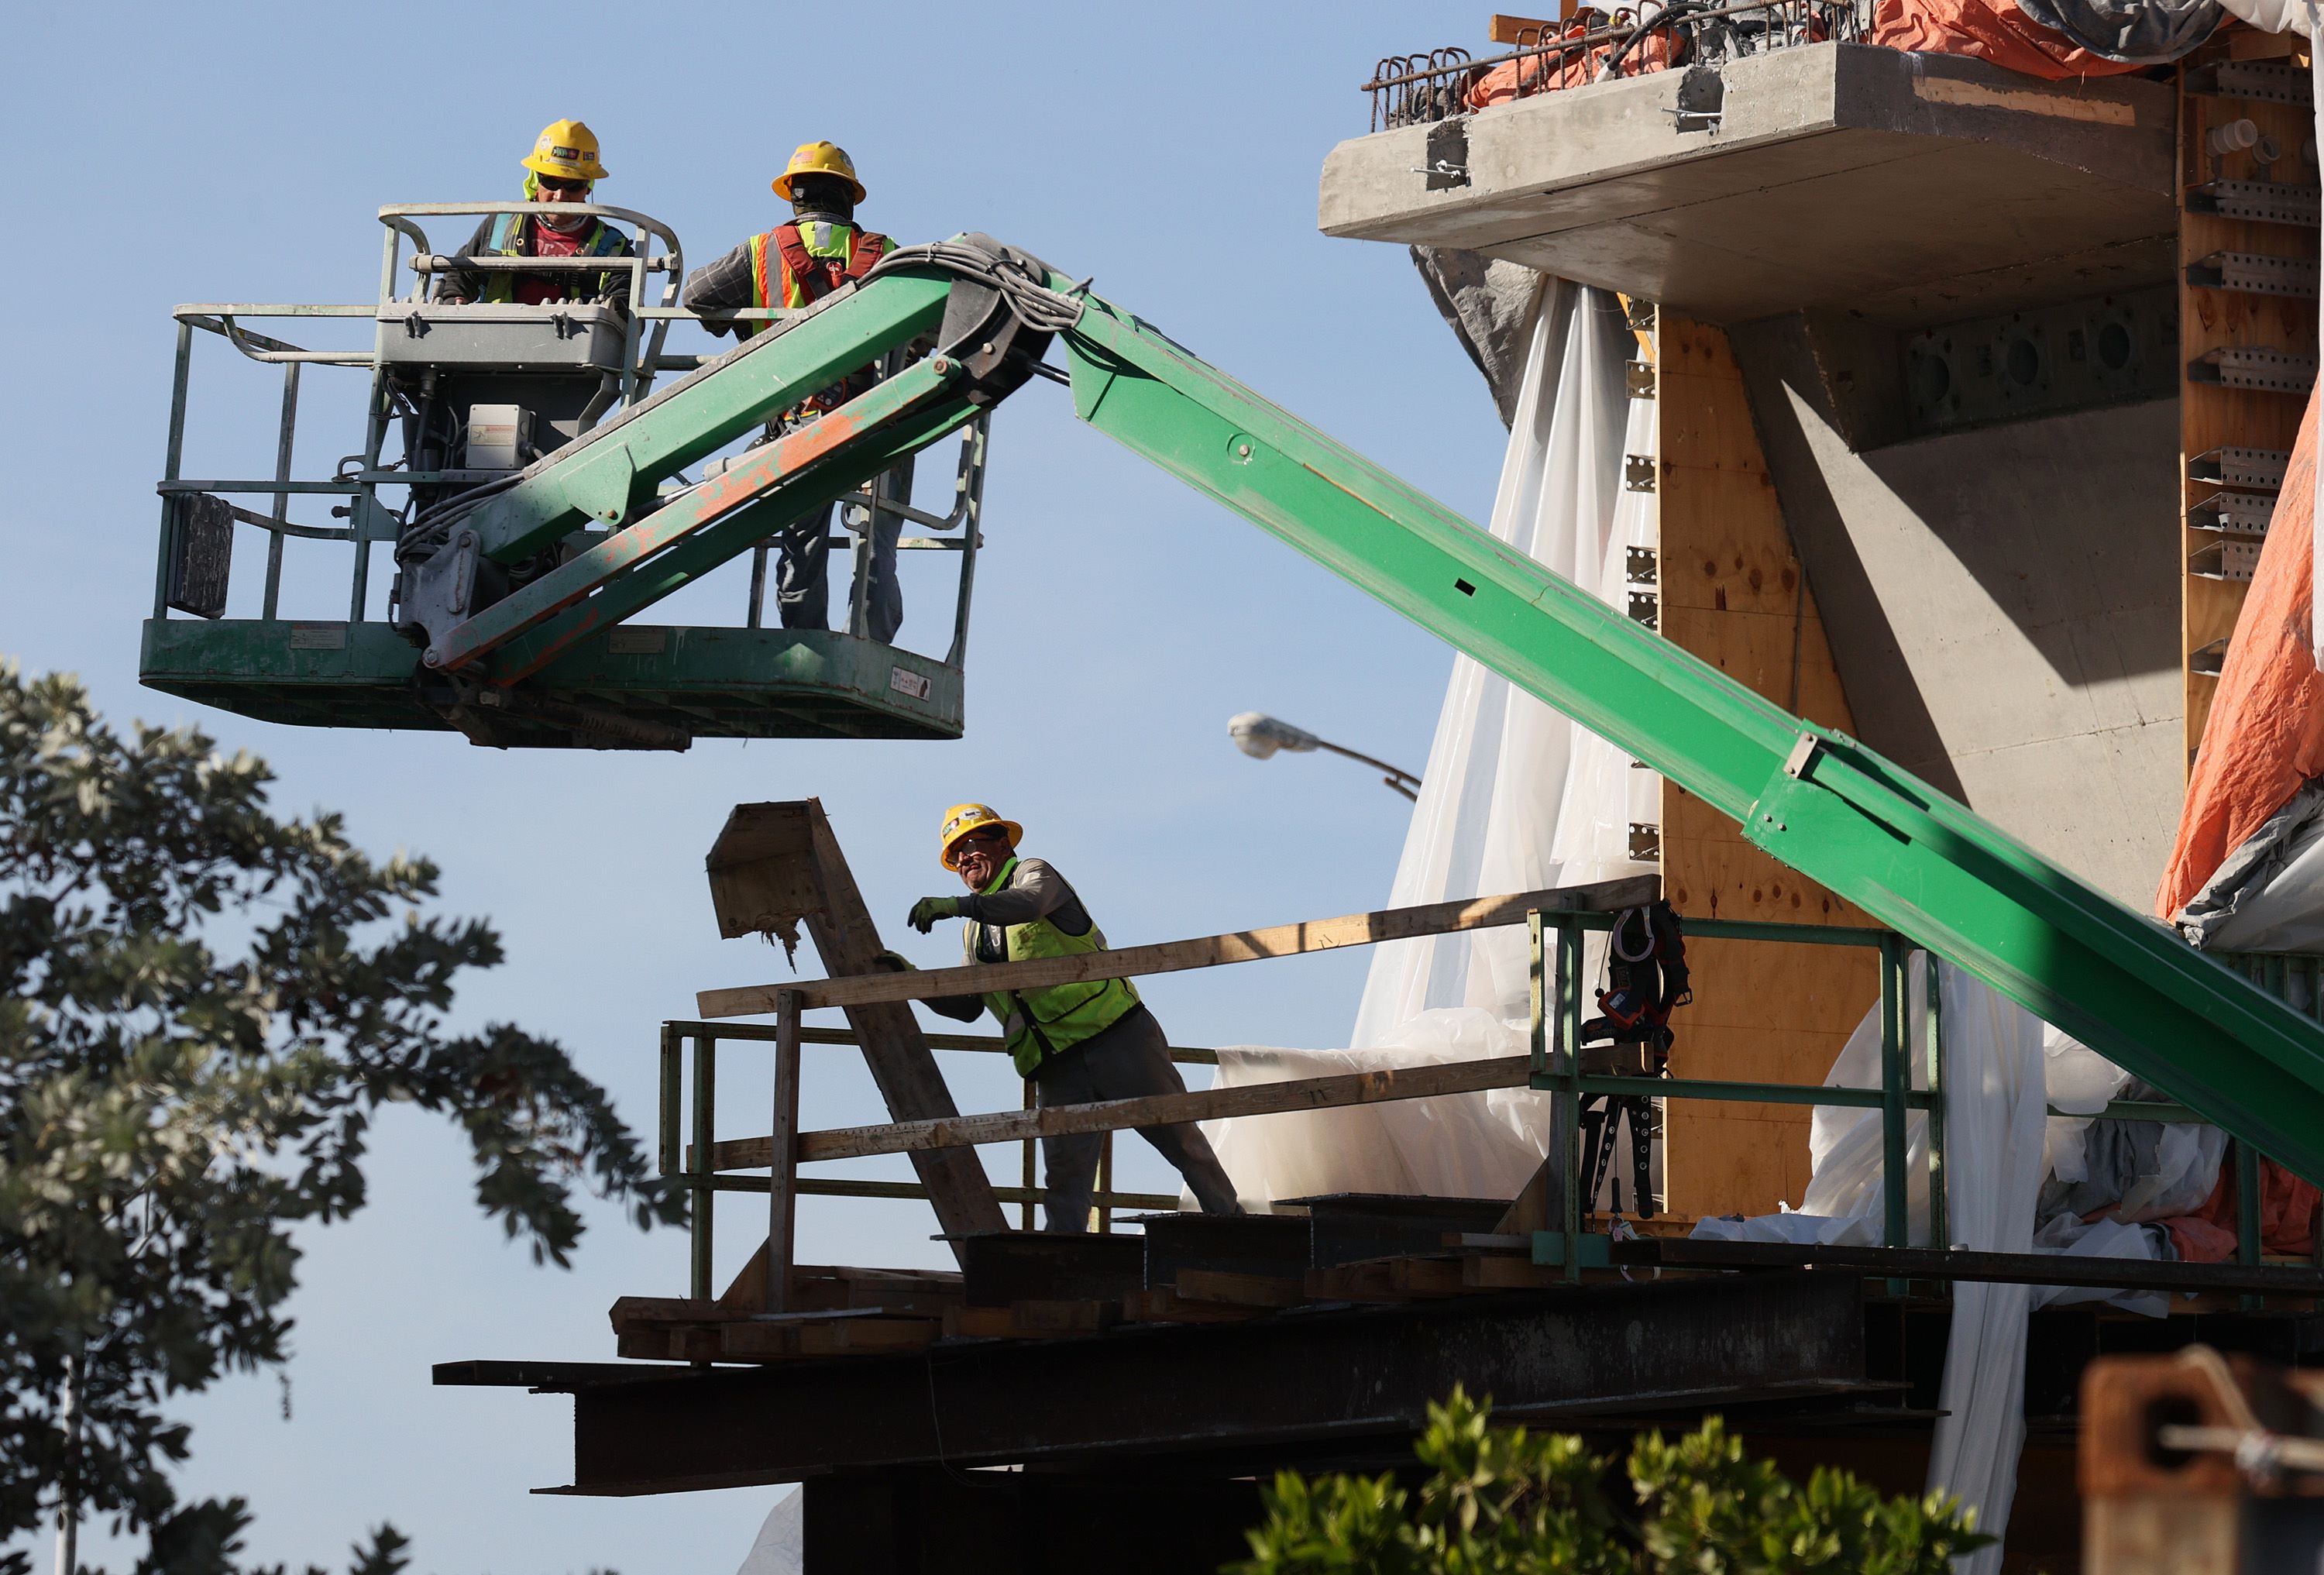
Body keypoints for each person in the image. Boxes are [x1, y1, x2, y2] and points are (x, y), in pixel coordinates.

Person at [902, 803, 1243, 1232]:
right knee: (1065, 1175)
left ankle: (1233, 1227)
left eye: (972, 844)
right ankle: (1065, 1255)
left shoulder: (1033, 874)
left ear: (1003, 844)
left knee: (1180, 1140)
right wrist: (911, 979)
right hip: (1057, 1065)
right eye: (956, 854)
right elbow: (969, 1006)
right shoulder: (974, 932)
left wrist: (957, 905)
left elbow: (1029, 904)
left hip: (1116, 1036)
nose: (965, 858)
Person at [684, 142, 903, 641]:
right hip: (877, 420)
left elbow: (698, 295)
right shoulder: (888, 253)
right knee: (877, 537)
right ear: (849, 197)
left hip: (796, 423)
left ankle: (806, 641)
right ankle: (872, 641)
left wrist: (745, 326)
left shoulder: (760, 251)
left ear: (794, 196)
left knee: (802, 541)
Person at [435, 119, 634, 307]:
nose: (560, 195)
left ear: (588, 187)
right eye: (551, 182)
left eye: (573, 185)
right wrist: (455, 299)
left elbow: (622, 311)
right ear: (536, 180)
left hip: (573, 334)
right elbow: (460, 275)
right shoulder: (500, 227)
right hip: (497, 332)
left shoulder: (613, 248)